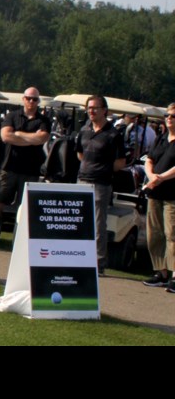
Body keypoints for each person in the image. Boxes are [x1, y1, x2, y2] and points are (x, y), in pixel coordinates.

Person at [0, 88, 51, 246]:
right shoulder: (12, 116)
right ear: (23, 99)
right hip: (9, 166)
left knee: (25, 206)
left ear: (38, 101)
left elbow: (42, 138)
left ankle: (20, 241)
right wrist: (29, 138)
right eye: (29, 98)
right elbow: (6, 136)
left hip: (31, 169)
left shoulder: (43, 120)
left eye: (34, 99)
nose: (31, 102)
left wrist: (19, 135)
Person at [76, 95, 127, 273]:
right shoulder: (84, 130)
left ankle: (98, 263)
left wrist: (103, 168)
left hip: (101, 184)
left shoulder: (113, 134)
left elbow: (121, 162)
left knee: (98, 224)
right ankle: (78, 256)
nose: (91, 111)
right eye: (89, 108)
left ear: (104, 110)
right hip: (82, 180)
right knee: (80, 222)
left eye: (95, 108)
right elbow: (80, 154)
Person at [143, 103, 175, 292]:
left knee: (172, 235)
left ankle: (174, 274)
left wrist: (161, 177)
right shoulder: (161, 138)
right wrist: (151, 176)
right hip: (155, 192)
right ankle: (161, 271)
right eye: (167, 115)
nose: (169, 118)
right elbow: (149, 159)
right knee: (154, 233)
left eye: (173, 116)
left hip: (172, 195)